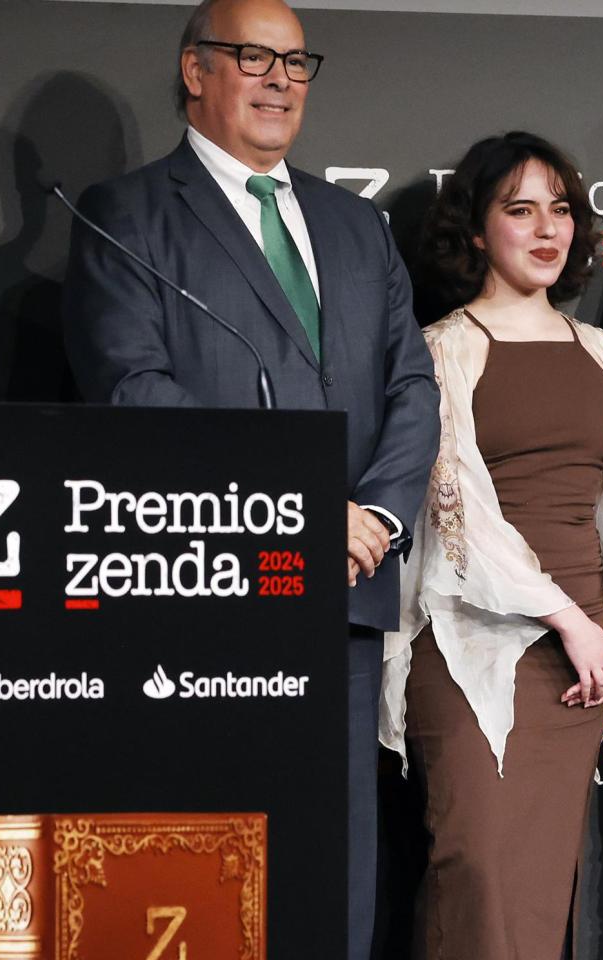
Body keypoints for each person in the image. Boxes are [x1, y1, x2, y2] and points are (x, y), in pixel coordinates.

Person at [59, 2, 440, 956]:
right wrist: (303, 511)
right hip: (206, 601)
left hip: (345, 594)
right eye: (253, 57)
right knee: (213, 867)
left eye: (296, 62)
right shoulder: (128, 214)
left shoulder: (357, 226)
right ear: (196, 71)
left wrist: (376, 519)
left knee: (332, 868)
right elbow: (132, 391)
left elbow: (412, 386)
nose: (279, 80)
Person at [379, 131, 603, 960]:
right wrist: (570, 622)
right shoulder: (443, 348)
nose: (547, 229)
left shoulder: (601, 351)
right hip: (472, 642)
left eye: (560, 210)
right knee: (475, 868)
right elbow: (457, 511)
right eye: (521, 210)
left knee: (541, 881)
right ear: (475, 229)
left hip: (584, 662)